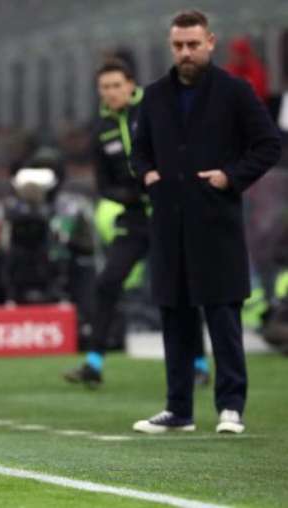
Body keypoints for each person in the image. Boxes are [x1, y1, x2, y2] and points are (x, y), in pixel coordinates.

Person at [130, 11, 281, 434]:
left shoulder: (235, 91)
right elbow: (139, 150)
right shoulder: (155, 95)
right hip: (169, 223)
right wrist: (147, 174)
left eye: (193, 44)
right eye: (179, 45)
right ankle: (178, 409)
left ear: (210, 43)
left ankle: (231, 407)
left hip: (216, 221)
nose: (186, 53)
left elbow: (268, 144)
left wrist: (230, 176)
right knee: (175, 318)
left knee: (223, 317)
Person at [64, 59, 209, 388]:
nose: (111, 92)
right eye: (105, 87)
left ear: (131, 85)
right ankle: (93, 363)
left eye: (117, 85)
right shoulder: (101, 130)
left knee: (181, 289)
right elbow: (104, 186)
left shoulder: (156, 110)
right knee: (107, 282)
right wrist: (131, 194)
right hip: (134, 218)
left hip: (168, 213)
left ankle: (199, 364)